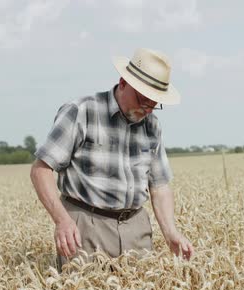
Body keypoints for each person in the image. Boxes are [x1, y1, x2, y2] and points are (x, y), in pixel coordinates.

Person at [30, 48, 194, 271]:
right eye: (143, 100)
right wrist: (62, 220)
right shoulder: (82, 111)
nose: (147, 110)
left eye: (154, 104)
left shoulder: (152, 125)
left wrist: (171, 232)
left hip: (136, 229)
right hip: (86, 227)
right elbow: (41, 169)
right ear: (123, 82)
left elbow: (160, 185)